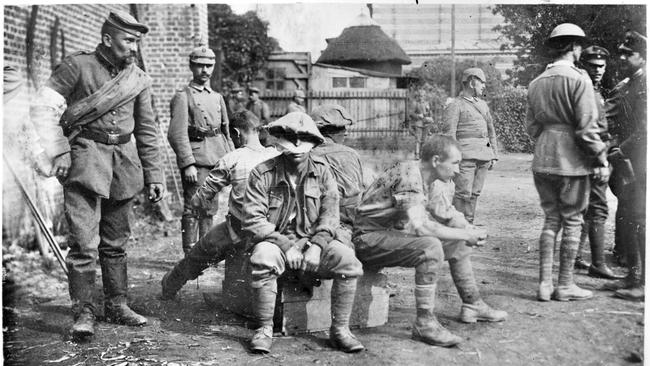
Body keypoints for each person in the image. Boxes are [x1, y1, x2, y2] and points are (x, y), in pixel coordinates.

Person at [29, 10, 165, 339]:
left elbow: (147, 131)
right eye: (128, 41)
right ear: (107, 39)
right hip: (85, 161)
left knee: (116, 243)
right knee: (83, 244)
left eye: (136, 42)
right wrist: (59, 150)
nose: (133, 48)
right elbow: (43, 109)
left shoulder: (138, 79)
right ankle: (84, 312)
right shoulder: (77, 65)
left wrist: (155, 174)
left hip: (124, 164)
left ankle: (117, 304)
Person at [352, 135, 506, 348]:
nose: (458, 170)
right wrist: (465, 235)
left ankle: (473, 304)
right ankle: (424, 323)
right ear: (436, 161)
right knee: (431, 246)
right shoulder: (409, 175)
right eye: (455, 163)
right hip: (366, 240)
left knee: (456, 242)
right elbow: (421, 226)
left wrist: (469, 229)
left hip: (389, 236)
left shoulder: (429, 178)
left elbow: (445, 212)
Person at [243, 112, 365, 354]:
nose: (297, 145)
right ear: (279, 141)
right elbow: (254, 219)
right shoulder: (262, 172)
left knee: (348, 262)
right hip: (276, 242)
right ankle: (264, 329)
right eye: (290, 138)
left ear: (314, 141)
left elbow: (331, 215)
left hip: (313, 241)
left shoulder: (323, 172)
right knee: (263, 257)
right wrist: (287, 246)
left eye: (304, 139)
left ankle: (340, 329)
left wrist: (318, 245)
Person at [526, 23, 610, 302]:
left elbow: (532, 127)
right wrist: (599, 158)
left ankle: (544, 285)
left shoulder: (536, 82)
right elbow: (587, 128)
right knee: (573, 220)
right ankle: (565, 285)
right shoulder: (579, 80)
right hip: (571, 161)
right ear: (574, 48)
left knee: (550, 218)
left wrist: (548, 139)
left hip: (543, 158)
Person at [161, 110, 279, 299]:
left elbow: (200, 198)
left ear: (236, 133)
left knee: (197, 255)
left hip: (240, 230)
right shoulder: (277, 155)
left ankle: (169, 286)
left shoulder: (232, 158)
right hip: (273, 230)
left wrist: (198, 206)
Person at [167, 44, 235, 255]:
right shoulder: (183, 96)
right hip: (196, 161)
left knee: (209, 208)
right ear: (191, 66)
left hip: (216, 158)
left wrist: (232, 157)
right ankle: (190, 254)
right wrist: (187, 164)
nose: (205, 71)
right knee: (193, 208)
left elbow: (226, 131)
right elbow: (176, 134)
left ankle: (204, 252)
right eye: (199, 66)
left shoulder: (217, 97)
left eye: (209, 66)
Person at [573, 46, 624, 280]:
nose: (598, 70)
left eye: (602, 66)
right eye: (593, 66)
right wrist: (601, 158)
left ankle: (575, 257)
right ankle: (598, 264)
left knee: (585, 208)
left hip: (590, 154)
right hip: (593, 156)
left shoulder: (592, 90)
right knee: (598, 208)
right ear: (584, 65)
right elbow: (590, 130)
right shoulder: (588, 91)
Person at [604, 31, 647, 301]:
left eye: (628, 54)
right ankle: (633, 275)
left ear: (643, 55)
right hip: (631, 158)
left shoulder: (645, 83)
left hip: (642, 159)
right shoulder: (632, 82)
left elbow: (646, 126)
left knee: (640, 218)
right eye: (620, 52)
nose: (622, 58)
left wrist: (623, 148)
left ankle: (642, 283)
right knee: (631, 217)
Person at [443, 68, 498, 224]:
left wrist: (493, 154)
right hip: (465, 157)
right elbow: (449, 134)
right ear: (473, 82)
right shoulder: (455, 105)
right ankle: (457, 227)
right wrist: (453, 157)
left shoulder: (483, 105)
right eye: (482, 82)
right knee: (463, 193)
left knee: (475, 193)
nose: (484, 86)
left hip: (484, 156)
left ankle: (468, 225)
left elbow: (490, 130)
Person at [310, 104, 365, 228]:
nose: (345, 133)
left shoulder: (306, 155)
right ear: (329, 132)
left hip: (318, 219)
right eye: (342, 129)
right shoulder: (352, 153)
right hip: (351, 219)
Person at [409, 89, 434, 159]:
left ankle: (422, 154)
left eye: (422, 96)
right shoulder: (415, 103)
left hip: (426, 123)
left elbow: (430, 113)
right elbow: (411, 113)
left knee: (424, 140)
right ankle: (416, 154)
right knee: (418, 139)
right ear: (418, 96)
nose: (421, 97)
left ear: (425, 96)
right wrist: (418, 116)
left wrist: (430, 114)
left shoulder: (427, 103)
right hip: (419, 123)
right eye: (420, 96)